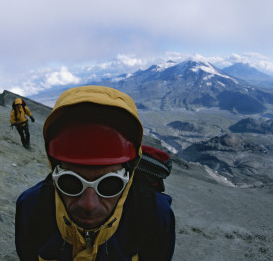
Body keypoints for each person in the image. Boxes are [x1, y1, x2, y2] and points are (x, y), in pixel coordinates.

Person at [15, 86, 175, 260]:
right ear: (54, 169)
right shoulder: (31, 208)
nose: (89, 205)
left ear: (129, 174)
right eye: (71, 183)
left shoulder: (153, 214)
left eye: (109, 185)